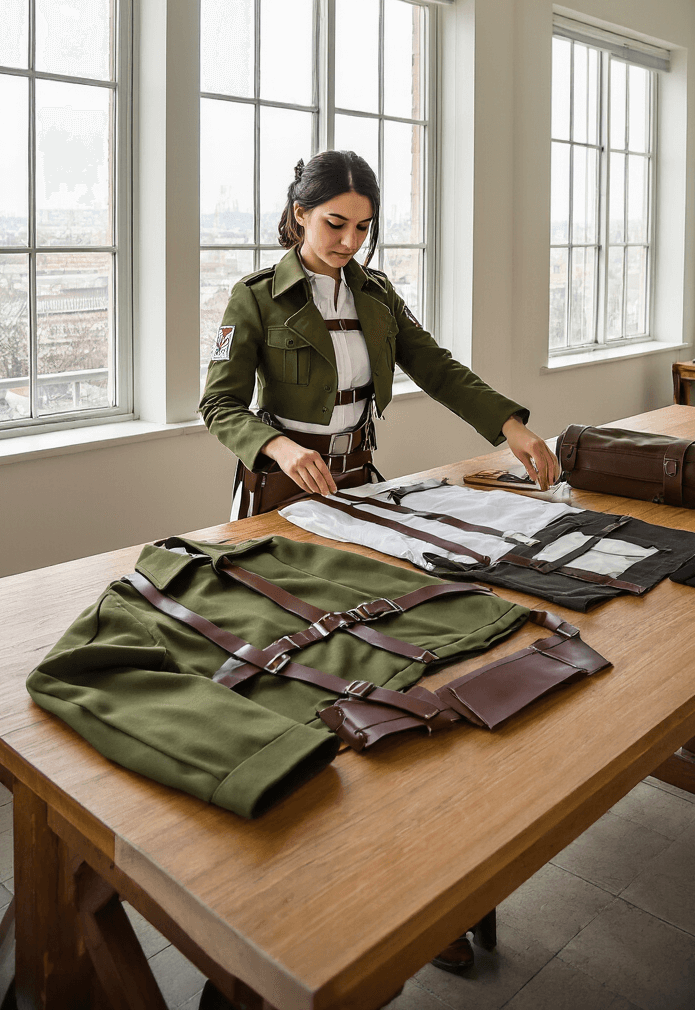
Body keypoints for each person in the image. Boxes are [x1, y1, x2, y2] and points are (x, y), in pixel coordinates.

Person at [199, 148, 559, 976]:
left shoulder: (377, 292)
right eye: (335, 224)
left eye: (362, 227)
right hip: (283, 501)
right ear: (298, 213)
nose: (349, 241)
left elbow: (433, 365)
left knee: (398, 661)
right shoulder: (254, 297)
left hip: (364, 486)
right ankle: (295, 877)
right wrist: (279, 443)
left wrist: (508, 424)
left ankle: (417, 885)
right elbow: (218, 404)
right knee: (303, 675)